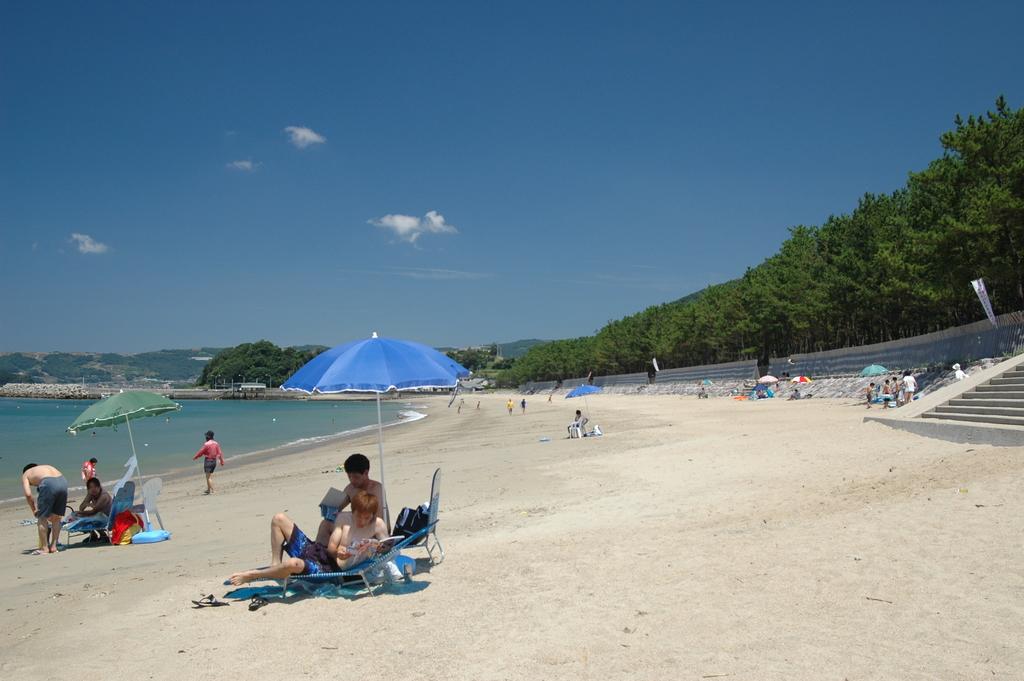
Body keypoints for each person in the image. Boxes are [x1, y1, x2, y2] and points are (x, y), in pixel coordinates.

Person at [227, 490, 390, 586]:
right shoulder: (344, 519)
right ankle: (275, 566)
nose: (362, 521)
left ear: (373, 515)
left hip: (328, 570)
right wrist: (338, 552)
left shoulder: (378, 525)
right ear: (352, 511)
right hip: (319, 553)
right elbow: (331, 549)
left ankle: (252, 575)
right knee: (279, 518)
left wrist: (380, 548)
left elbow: (390, 548)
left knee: (292, 563)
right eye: (358, 516)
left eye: (366, 518)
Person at [315, 453, 385, 544]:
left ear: (366, 473)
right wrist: (329, 509)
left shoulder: (376, 488)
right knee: (325, 523)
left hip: (372, 530)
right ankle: (319, 551)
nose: (352, 480)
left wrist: (347, 516)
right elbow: (336, 508)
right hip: (357, 526)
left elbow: (377, 518)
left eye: (356, 477)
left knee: (341, 527)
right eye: (349, 477)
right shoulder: (351, 488)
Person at [21, 464, 68, 555]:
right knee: (57, 518)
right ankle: (54, 546)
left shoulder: (25, 474)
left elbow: (28, 494)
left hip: (48, 483)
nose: (32, 485)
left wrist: (34, 509)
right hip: (63, 481)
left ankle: (45, 548)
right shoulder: (44, 468)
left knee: (42, 518)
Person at [72, 477, 112, 543]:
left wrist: (82, 511)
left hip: (108, 519)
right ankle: (93, 535)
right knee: (76, 516)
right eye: (90, 487)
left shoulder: (104, 496)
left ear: (99, 487)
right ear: (88, 489)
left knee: (82, 518)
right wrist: (87, 504)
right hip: (100, 517)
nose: (93, 489)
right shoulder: (91, 494)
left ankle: (103, 535)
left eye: (95, 487)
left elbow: (93, 512)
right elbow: (81, 507)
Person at [192, 430, 225, 495]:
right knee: (208, 476)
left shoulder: (206, 444)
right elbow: (219, 453)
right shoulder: (216, 443)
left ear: (208, 437)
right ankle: (208, 489)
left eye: (206, 436)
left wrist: (196, 457)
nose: (205, 437)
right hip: (214, 461)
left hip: (208, 461)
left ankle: (212, 490)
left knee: (208, 477)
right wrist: (221, 461)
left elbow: (201, 452)